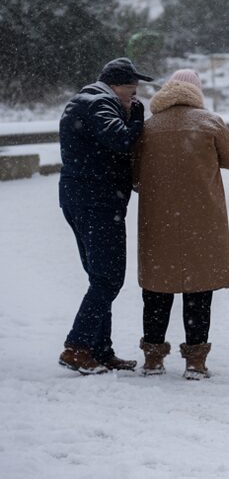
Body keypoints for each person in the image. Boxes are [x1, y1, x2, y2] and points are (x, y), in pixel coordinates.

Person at [133, 69, 229, 379]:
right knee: (199, 291)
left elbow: (135, 174)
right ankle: (195, 362)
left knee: (156, 291)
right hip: (201, 221)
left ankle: (153, 358)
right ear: (197, 94)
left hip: (158, 221)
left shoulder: (148, 128)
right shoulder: (210, 123)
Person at [58, 57, 155, 374]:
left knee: (100, 277)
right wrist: (137, 117)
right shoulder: (100, 102)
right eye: (132, 90)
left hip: (84, 197)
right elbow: (122, 140)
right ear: (117, 86)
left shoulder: (88, 100)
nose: (135, 97)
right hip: (96, 201)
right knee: (108, 277)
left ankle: (100, 350)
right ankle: (77, 348)